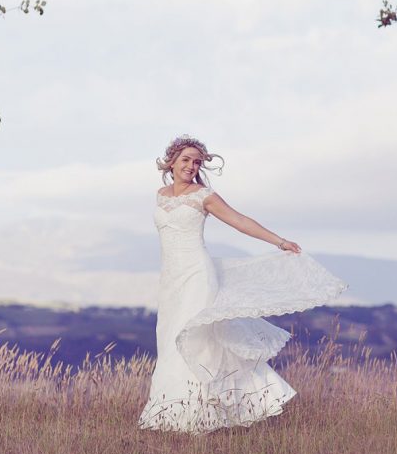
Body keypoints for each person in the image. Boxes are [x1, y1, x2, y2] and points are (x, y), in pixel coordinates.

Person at [137, 134, 348, 434]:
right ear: (171, 162)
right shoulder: (161, 195)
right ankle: (170, 416)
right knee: (170, 341)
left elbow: (240, 221)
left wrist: (279, 241)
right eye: (186, 160)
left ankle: (202, 416)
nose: (191, 166)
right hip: (171, 279)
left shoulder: (204, 196)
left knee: (197, 339)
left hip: (197, 276)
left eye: (196, 162)